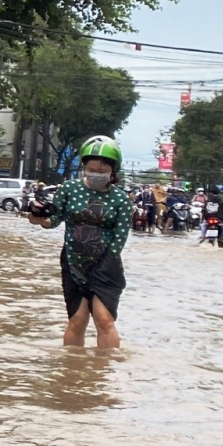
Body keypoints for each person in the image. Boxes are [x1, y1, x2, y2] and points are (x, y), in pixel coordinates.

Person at [28, 135, 132, 350]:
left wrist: (103, 265)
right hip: (73, 263)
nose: (96, 174)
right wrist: (39, 220)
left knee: (104, 320)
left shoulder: (121, 199)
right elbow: (54, 220)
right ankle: (73, 370)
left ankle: (105, 371)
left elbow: (119, 239)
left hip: (106, 266)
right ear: (84, 167)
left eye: (102, 171)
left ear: (113, 172)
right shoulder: (69, 189)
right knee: (77, 321)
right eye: (91, 169)